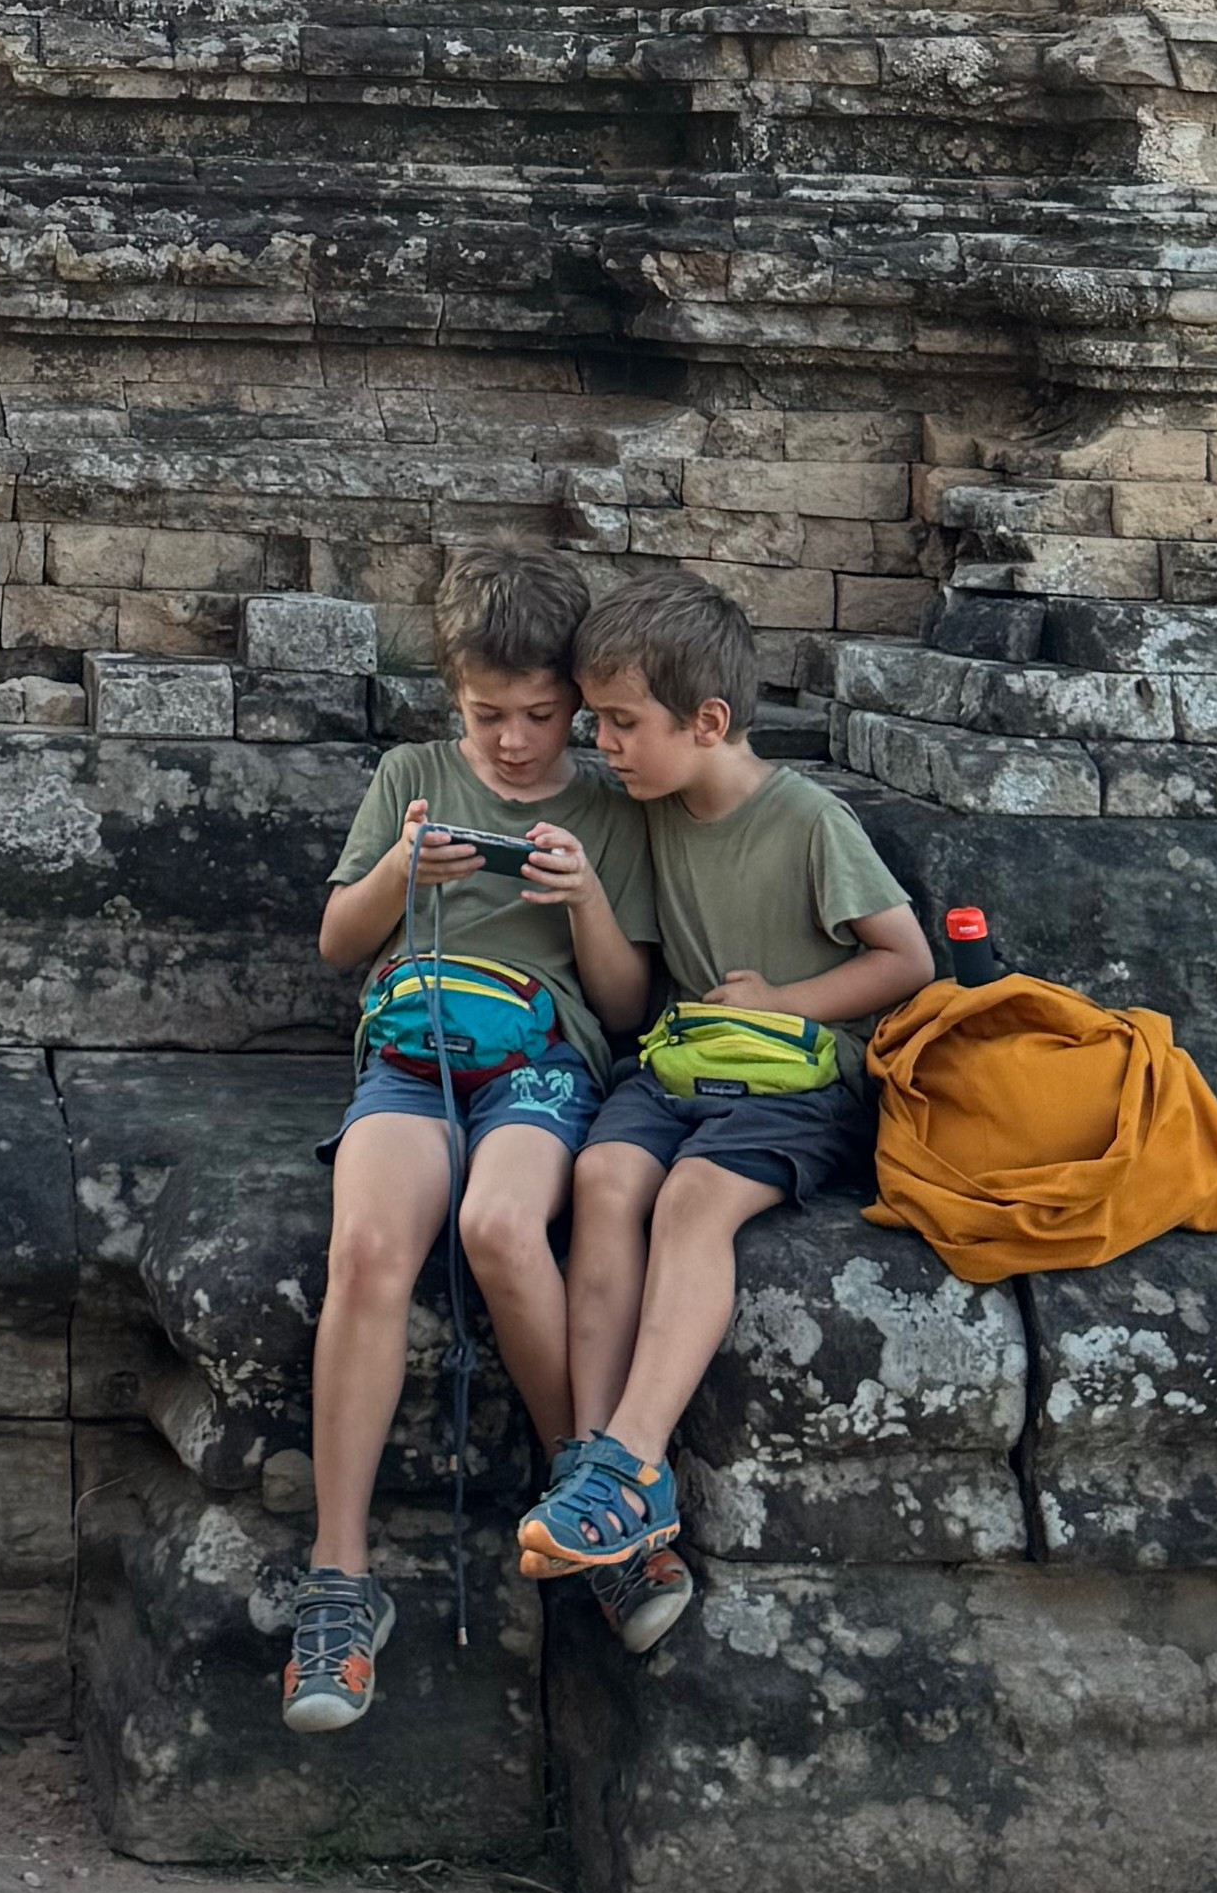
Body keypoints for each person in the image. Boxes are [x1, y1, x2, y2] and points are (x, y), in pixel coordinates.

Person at [516, 572, 934, 1640]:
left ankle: (631, 1458)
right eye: (597, 720)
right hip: (681, 1066)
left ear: (708, 721)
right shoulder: (649, 811)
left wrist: (786, 998)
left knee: (692, 1200)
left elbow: (907, 957)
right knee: (604, 1176)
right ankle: (597, 1468)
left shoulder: (805, 818)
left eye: (621, 722)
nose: (602, 742)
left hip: (798, 1078)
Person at [283, 546, 657, 1732]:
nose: (511, 741)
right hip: (412, 1046)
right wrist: (404, 862)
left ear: (576, 703)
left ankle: (597, 1501)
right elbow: (341, 943)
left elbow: (626, 1009)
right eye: (487, 714)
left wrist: (587, 898)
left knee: (502, 1223)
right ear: (453, 698)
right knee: (368, 1252)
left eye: (540, 716)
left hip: (545, 1057)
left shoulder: (606, 803)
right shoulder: (414, 772)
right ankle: (340, 1583)